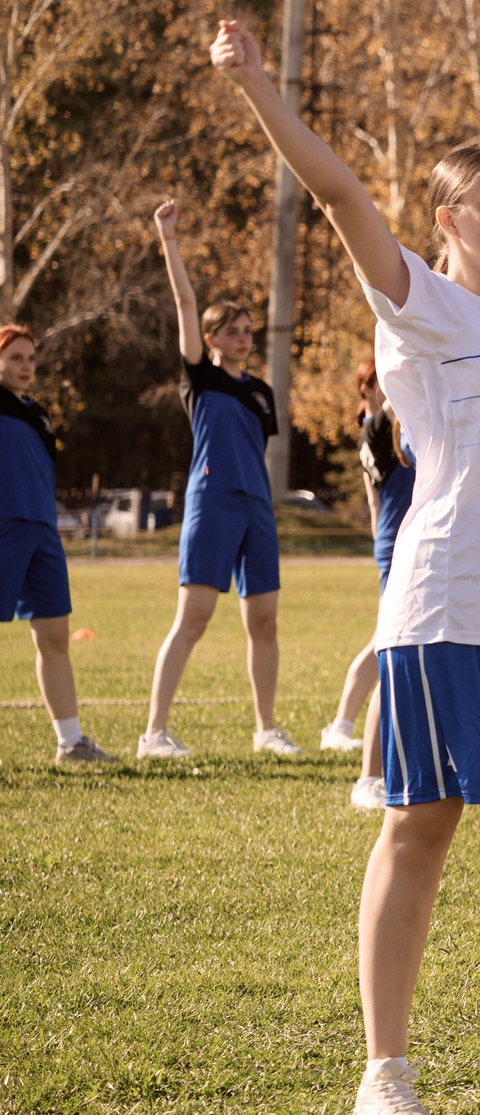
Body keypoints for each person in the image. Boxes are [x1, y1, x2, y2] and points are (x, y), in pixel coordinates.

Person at [211, 18, 480, 1115]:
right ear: (449, 221)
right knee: (424, 817)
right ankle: (384, 1076)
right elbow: (341, 196)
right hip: (451, 597)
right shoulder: (418, 303)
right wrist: (258, 86)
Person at [142, 201, 295, 759]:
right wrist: (170, 240)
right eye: (232, 331)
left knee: (265, 621)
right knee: (195, 618)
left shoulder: (261, 393)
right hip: (213, 501)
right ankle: (154, 733)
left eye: (247, 331)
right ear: (209, 339)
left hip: (257, 506)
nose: (243, 337)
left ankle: (266, 729)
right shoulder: (200, 379)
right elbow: (184, 300)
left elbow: (257, 449)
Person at [0, 325, 104, 765]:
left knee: (55, 635)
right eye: (15, 358)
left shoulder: (38, 414)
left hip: (43, 531)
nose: (26, 367)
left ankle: (72, 743)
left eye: (30, 358)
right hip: (4, 527)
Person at [319, 365, 414, 810]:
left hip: (395, 541)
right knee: (387, 648)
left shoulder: (394, 428)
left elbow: (375, 504)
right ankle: (360, 757)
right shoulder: (377, 429)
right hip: (399, 544)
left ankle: (342, 725)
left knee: (383, 644)